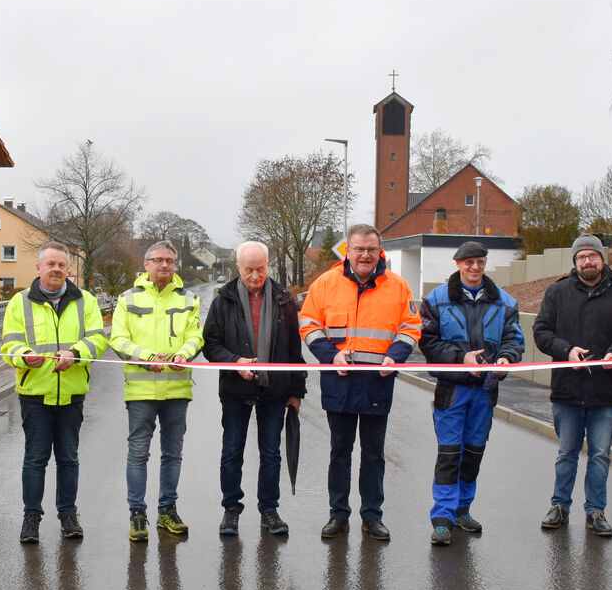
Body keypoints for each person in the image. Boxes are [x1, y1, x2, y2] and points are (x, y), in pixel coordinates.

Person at [298, 224, 422, 541]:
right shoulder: (325, 284)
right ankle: (338, 515)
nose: (365, 254)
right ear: (348, 251)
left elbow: (410, 327)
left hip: (377, 383)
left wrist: (395, 355)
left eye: (371, 249)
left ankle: (372, 516)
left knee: (374, 455)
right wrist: (330, 355)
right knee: (339, 452)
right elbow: (309, 324)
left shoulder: (397, 286)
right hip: (339, 381)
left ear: (379, 251)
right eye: (358, 248)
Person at [533, 235, 612, 537]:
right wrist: (565, 350)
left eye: (592, 256)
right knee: (567, 452)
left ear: (602, 259)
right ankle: (559, 506)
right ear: (575, 262)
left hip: (606, 392)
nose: (587, 261)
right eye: (581, 257)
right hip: (567, 391)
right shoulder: (557, 293)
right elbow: (541, 332)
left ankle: (596, 510)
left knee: (600, 455)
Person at [1, 241, 108, 544]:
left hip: (72, 393)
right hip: (35, 392)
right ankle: (31, 517)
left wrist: (74, 354)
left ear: (68, 270)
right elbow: (9, 345)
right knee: (35, 459)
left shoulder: (85, 301)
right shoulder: (19, 302)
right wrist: (23, 355)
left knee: (68, 459)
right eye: (51, 264)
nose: (57, 269)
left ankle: (68, 515)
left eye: (62, 265)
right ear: (38, 268)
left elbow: (98, 340)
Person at [419, 240, 524, 547]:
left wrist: (506, 359)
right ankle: (442, 517)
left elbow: (514, 340)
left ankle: (463, 510)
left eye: (480, 262)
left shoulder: (505, 302)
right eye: (469, 263)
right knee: (449, 453)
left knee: (474, 452)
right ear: (458, 264)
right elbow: (427, 342)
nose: (475, 268)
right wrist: (459, 358)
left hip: (485, 391)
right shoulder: (436, 300)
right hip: (452, 390)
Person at [202, 240, 306, 536]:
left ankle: (269, 510)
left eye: (261, 269)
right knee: (232, 451)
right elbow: (211, 345)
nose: (256, 276)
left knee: (271, 453)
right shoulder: (224, 299)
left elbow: (294, 350)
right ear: (238, 267)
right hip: (236, 389)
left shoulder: (285, 299)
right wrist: (235, 361)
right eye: (249, 270)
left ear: (267, 266)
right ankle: (231, 510)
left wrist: (297, 391)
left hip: (275, 389)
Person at [110, 240, 203, 542]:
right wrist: (146, 358)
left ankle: (167, 510)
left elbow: (196, 336)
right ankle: (137, 515)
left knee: (172, 455)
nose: (165, 265)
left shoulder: (189, 299)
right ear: (146, 263)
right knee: (138, 454)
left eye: (170, 261)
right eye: (159, 260)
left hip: (176, 390)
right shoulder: (127, 298)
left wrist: (184, 355)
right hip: (141, 392)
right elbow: (118, 339)